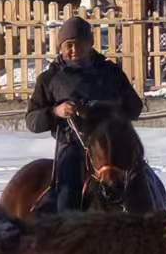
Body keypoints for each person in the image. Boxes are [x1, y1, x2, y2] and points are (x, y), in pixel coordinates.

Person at [25, 15, 143, 212]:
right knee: (68, 193)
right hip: (74, 145)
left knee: (140, 183)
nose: (73, 50)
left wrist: (105, 107)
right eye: (67, 45)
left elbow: (135, 107)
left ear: (90, 44)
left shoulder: (111, 73)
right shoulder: (49, 79)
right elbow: (31, 121)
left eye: (78, 44)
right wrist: (56, 111)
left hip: (112, 144)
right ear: (60, 47)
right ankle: (68, 229)